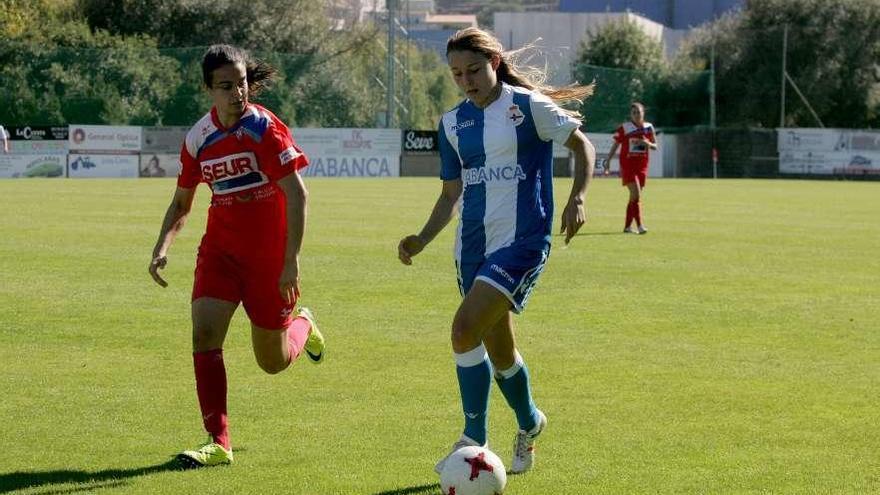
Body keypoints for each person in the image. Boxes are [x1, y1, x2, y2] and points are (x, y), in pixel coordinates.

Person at [397, 27, 596, 475]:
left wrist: (577, 198)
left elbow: (582, 144)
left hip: (523, 242)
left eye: (473, 69)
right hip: (472, 248)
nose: (466, 80)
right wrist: (421, 239)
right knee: (499, 351)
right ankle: (530, 422)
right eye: (456, 74)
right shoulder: (452, 123)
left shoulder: (528, 108)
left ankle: (474, 439)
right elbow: (450, 195)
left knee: (463, 328)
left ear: (494, 62)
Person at [148, 44, 326, 469]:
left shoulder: (265, 129)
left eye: (241, 83)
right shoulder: (198, 139)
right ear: (208, 88)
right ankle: (218, 441)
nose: (237, 93)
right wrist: (161, 247)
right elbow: (182, 203)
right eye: (226, 86)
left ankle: (303, 323)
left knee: (273, 363)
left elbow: (298, 195)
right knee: (203, 337)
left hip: (269, 261)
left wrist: (290, 262)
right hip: (220, 254)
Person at [603, 102, 657, 234]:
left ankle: (627, 227)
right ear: (630, 115)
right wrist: (608, 160)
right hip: (627, 165)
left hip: (642, 166)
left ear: (643, 112)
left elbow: (655, 146)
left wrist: (647, 143)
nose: (637, 115)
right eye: (634, 113)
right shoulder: (625, 128)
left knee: (634, 197)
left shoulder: (649, 127)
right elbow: (616, 144)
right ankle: (639, 226)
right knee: (636, 194)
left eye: (639, 112)